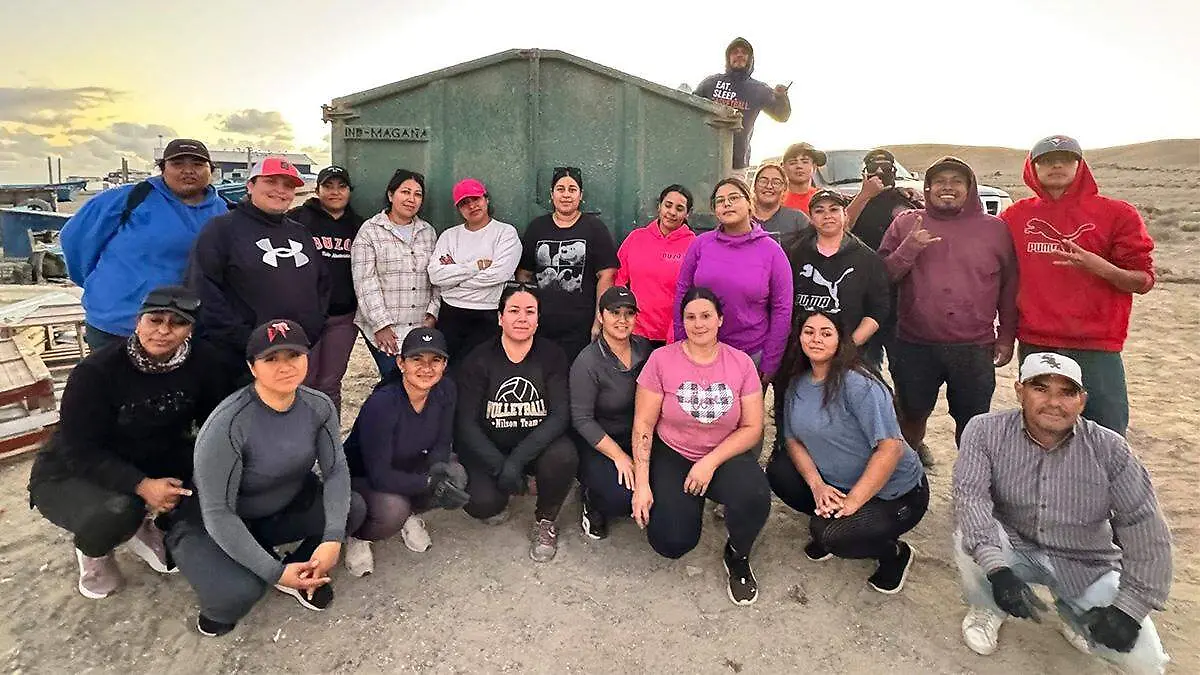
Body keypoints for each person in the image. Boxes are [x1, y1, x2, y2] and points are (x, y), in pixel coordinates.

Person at [952, 353, 1171, 673]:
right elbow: (970, 498)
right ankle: (988, 606)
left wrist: (1130, 610)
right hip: (1013, 547)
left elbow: (1144, 525)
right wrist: (997, 569)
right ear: (1019, 391)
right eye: (1040, 388)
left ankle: (1074, 613)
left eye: (1067, 392)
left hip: (1084, 560)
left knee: (1146, 660)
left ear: (1082, 401)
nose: (1054, 402)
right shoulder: (984, 431)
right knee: (966, 535)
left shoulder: (1111, 449)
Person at [167, 319, 366, 637]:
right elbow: (218, 513)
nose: (284, 367)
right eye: (271, 359)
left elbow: (335, 471)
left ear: (307, 359)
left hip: (279, 509)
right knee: (238, 594)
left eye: (294, 356)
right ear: (252, 367)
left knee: (353, 509)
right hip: (211, 523)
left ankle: (300, 571)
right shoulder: (229, 422)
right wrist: (274, 573)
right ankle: (244, 573)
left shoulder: (318, 405)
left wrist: (331, 538)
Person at [27, 286, 228, 599]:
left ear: (190, 329)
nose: (163, 331)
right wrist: (142, 485)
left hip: (152, 452)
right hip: (73, 469)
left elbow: (213, 422)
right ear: (138, 322)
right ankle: (94, 550)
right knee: (118, 510)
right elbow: (79, 450)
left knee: (216, 477)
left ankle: (146, 525)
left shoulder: (204, 362)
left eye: (177, 323)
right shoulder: (95, 373)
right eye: (155, 320)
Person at [1000, 135, 1154, 436]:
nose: (1056, 164)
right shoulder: (1016, 216)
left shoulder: (1117, 214)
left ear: (1080, 165)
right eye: (1045, 159)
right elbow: (1000, 277)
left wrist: (1100, 267)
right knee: (1042, 428)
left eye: (1066, 158)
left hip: (1095, 344)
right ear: (1032, 167)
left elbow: (1143, 280)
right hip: (1036, 342)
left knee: (1104, 431)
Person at [767, 311, 927, 594]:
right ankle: (829, 514)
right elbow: (793, 440)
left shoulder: (859, 384)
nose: (816, 339)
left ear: (841, 340)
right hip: (837, 483)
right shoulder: (796, 383)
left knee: (832, 536)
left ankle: (894, 553)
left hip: (894, 493)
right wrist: (817, 486)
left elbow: (890, 448)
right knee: (779, 471)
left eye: (826, 333)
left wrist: (853, 502)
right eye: (809, 332)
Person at [633, 287, 770, 606]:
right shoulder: (661, 360)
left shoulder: (741, 364)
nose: (699, 324)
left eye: (706, 316)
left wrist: (709, 463)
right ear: (682, 322)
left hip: (723, 453)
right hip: (674, 451)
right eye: (690, 317)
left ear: (720, 320)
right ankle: (689, 503)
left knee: (755, 497)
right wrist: (642, 485)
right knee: (671, 542)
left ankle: (738, 554)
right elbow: (643, 425)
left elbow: (752, 427)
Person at [878, 157, 1017, 465]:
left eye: (957, 181)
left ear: (970, 189)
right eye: (940, 181)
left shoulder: (995, 229)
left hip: (974, 345)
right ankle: (906, 474)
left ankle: (971, 482)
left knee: (973, 421)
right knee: (911, 413)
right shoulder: (906, 223)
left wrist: (1006, 336)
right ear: (927, 188)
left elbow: (1009, 286)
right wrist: (909, 248)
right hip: (915, 342)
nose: (948, 188)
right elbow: (882, 276)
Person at [64, 139, 228, 351]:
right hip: (118, 322)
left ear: (211, 170)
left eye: (197, 164)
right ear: (162, 169)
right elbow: (75, 241)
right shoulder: (128, 198)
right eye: (178, 164)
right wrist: (97, 285)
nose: (188, 171)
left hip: (181, 326)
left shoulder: (223, 209)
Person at [455, 284, 577, 563]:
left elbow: (560, 415)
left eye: (529, 312)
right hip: (493, 445)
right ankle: (511, 485)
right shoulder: (479, 358)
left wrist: (516, 461)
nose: (522, 318)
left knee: (564, 455)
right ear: (500, 317)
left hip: (536, 446)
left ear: (538, 319)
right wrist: (500, 465)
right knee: (481, 504)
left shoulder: (552, 355)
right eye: (514, 311)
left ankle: (545, 520)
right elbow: (466, 423)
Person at [187, 157, 329, 390]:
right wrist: (248, 342)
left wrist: (309, 332)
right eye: (271, 181)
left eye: (288, 185)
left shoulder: (300, 233)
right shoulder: (221, 229)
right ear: (250, 185)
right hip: (237, 360)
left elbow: (322, 285)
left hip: (292, 352)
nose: (280, 190)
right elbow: (203, 290)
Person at [340, 327, 469, 576]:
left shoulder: (445, 390)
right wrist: (429, 482)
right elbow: (379, 474)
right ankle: (359, 535)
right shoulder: (383, 404)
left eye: (435, 360)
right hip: (365, 478)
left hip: (409, 464)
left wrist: (439, 473)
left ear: (444, 365)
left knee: (455, 474)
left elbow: (442, 442)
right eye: (417, 359)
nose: (426, 368)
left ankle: (411, 513)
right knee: (392, 510)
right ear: (400, 363)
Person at [673, 178, 792, 382]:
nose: (726, 204)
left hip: (751, 354)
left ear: (749, 203)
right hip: (702, 350)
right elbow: (683, 291)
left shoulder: (772, 251)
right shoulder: (701, 244)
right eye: (720, 201)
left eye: (734, 198)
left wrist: (771, 360)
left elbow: (783, 308)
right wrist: (682, 339)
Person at [570, 286, 652, 539]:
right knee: (622, 498)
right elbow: (582, 419)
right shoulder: (587, 361)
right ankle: (590, 498)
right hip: (601, 442)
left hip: (638, 436)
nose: (622, 320)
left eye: (629, 313)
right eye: (614, 312)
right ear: (601, 316)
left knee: (661, 488)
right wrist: (619, 456)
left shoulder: (645, 349)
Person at [517, 167, 618, 362]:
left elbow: (607, 275)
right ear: (551, 194)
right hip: (541, 326)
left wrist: (599, 320)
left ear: (580, 195)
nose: (566, 195)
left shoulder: (594, 228)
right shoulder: (537, 228)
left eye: (572, 189)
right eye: (560, 189)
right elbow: (524, 274)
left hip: (580, 328)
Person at [286, 165, 364, 413]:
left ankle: (328, 442)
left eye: (341, 186)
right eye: (328, 186)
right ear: (318, 189)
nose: (335, 192)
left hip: (343, 316)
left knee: (330, 383)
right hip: (304, 315)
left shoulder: (359, 226)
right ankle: (300, 442)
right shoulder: (297, 219)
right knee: (303, 381)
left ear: (349, 191)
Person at [351, 169, 440, 378]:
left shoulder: (428, 232)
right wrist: (380, 324)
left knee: (418, 384)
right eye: (405, 192)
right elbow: (365, 281)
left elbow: (437, 276)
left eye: (417, 194)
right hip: (385, 331)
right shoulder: (370, 231)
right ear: (391, 195)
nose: (411, 199)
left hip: (420, 327)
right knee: (393, 383)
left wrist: (433, 312)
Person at [786, 190, 889, 368]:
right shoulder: (794, 253)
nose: (827, 215)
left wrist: (849, 346)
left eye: (834, 209)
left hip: (852, 357)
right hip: (801, 354)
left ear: (845, 214)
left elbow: (878, 309)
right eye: (819, 211)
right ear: (811, 217)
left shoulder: (867, 258)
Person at [428, 178, 521, 362]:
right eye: (464, 203)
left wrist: (454, 281)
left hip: (489, 315)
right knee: (451, 371)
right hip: (451, 315)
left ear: (486, 199)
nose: (472, 206)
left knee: (483, 372)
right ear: (459, 209)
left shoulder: (505, 233)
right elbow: (435, 275)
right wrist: (475, 267)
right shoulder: (449, 236)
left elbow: (499, 274)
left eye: (475, 199)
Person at [614, 185, 696, 348]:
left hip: (674, 338)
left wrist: (678, 328)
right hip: (633, 334)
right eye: (668, 205)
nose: (672, 212)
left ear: (688, 213)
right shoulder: (636, 238)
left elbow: (695, 293)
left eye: (679, 208)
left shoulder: (694, 245)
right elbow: (618, 280)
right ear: (659, 206)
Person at [693, 37, 791, 170]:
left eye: (744, 52)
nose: (739, 55)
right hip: (703, 159)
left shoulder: (759, 89)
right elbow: (688, 111)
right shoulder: (711, 83)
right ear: (728, 58)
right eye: (734, 52)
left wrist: (782, 98)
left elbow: (782, 116)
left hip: (737, 165)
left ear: (750, 59)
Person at [845, 148, 924, 252]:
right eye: (873, 167)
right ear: (865, 173)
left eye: (885, 167)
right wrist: (864, 195)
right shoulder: (855, 203)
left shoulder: (908, 200)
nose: (879, 171)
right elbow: (841, 227)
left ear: (893, 171)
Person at [750, 163, 811, 244]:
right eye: (763, 181)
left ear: (784, 188)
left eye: (776, 182)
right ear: (754, 186)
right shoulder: (742, 218)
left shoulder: (797, 219)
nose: (769, 186)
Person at [780, 142, 826, 215]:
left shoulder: (824, 198)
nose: (799, 166)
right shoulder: (776, 200)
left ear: (814, 167)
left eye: (805, 162)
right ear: (783, 167)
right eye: (793, 162)